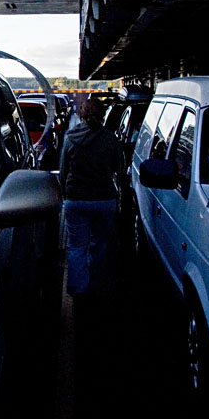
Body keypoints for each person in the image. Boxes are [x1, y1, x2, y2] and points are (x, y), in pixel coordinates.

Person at [59, 98, 118, 299]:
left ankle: (78, 288)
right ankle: (97, 283)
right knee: (100, 244)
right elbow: (119, 167)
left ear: (81, 115)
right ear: (102, 115)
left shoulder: (70, 138)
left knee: (77, 247)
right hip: (104, 199)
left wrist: (64, 192)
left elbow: (63, 170)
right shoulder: (111, 139)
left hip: (76, 199)